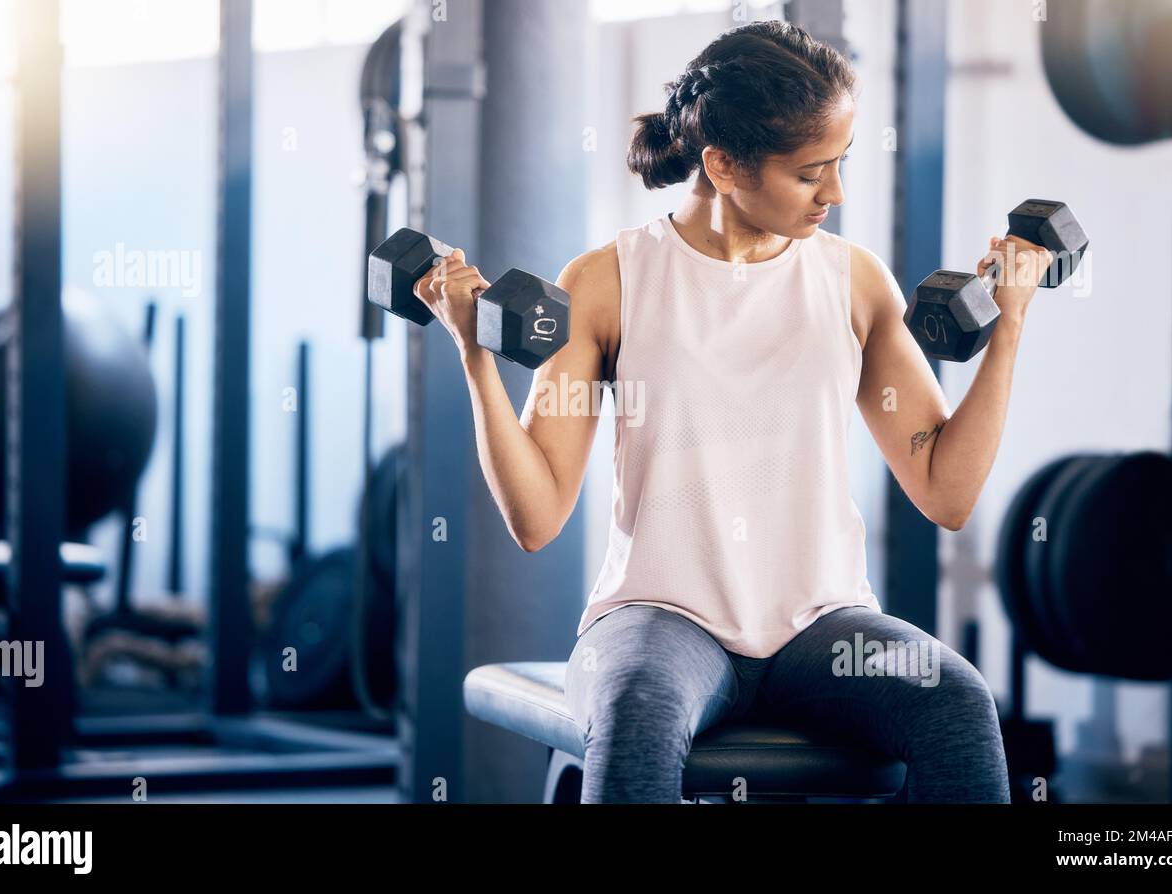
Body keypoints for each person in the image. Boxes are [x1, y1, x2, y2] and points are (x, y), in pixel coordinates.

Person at [411, 20, 1053, 803]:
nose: (837, 193)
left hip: (822, 624)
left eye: (842, 164)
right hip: (662, 617)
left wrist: (1010, 324)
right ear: (721, 163)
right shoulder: (608, 283)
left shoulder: (854, 283)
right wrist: (474, 355)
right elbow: (537, 516)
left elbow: (946, 493)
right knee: (638, 709)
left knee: (955, 703)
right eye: (811, 172)